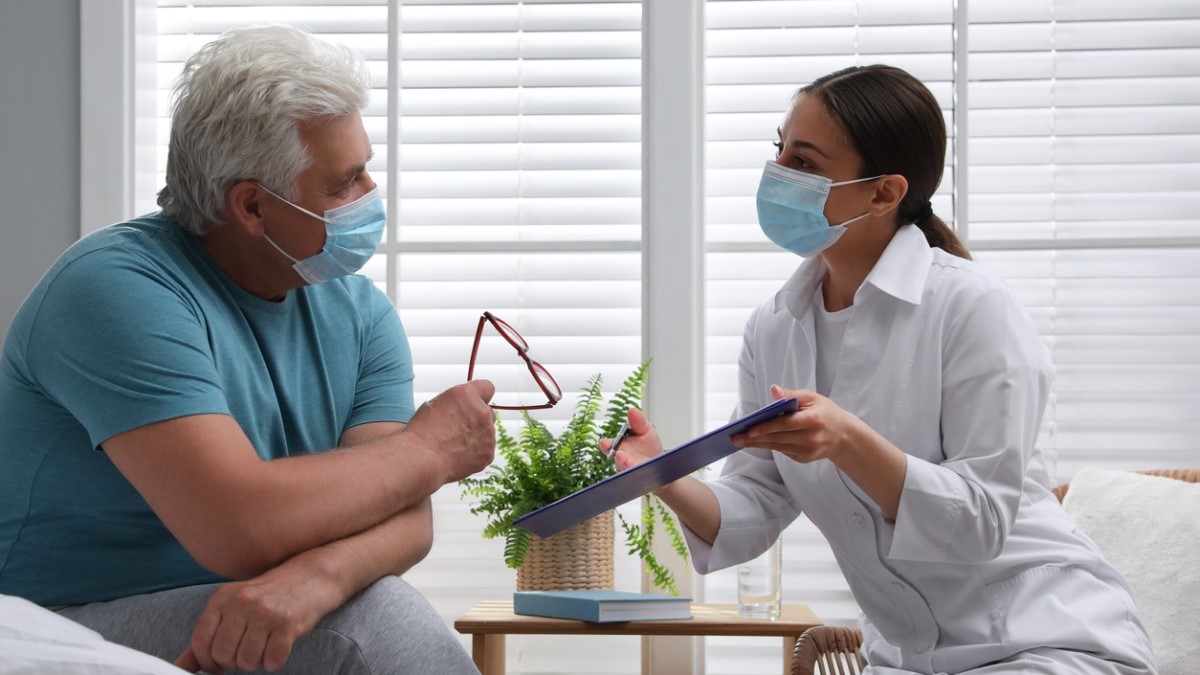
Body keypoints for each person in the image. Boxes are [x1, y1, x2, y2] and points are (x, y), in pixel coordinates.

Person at [604, 65, 1157, 674]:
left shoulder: (972, 308)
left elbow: (981, 520)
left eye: (806, 162)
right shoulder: (775, 327)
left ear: (883, 193)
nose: (778, 173)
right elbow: (756, 501)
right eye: (779, 149)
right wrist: (662, 476)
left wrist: (847, 441)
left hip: (1045, 642)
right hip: (903, 659)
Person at [0, 25, 495, 674]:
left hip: (250, 598)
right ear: (254, 205)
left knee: (366, 604)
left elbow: (404, 514)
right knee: (370, 625)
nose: (370, 194)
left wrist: (316, 578)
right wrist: (430, 447)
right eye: (344, 182)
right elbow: (237, 525)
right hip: (60, 612)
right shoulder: (112, 289)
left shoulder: (362, 312)